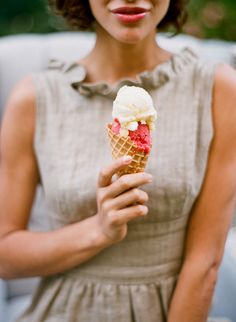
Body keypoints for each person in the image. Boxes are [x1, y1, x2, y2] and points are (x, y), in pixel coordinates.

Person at [0, 0, 236, 321]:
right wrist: (97, 231)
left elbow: (205, 263)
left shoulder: (218, 89)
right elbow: (5, 255)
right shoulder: (33, 98)